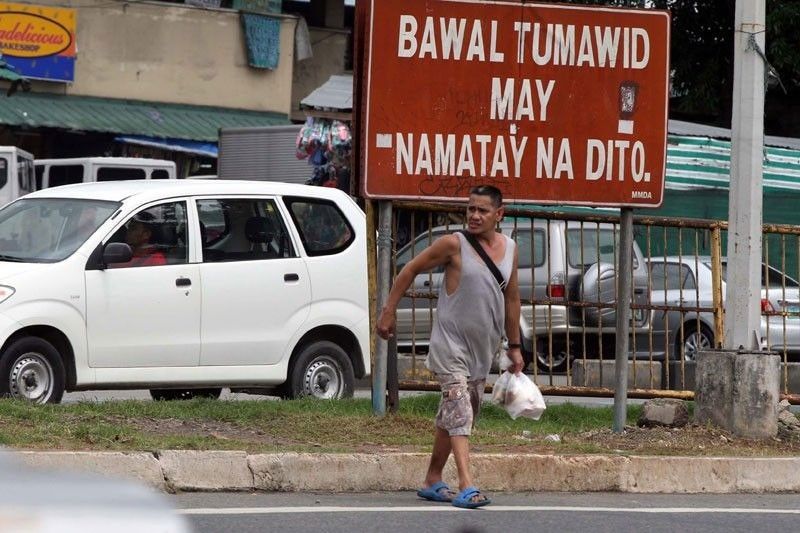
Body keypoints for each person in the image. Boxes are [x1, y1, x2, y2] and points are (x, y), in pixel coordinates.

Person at [377, 184, 524, 509]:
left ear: (499, 214)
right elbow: (410, 268)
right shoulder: (453, 245)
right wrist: (388, 310)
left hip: (481, 351)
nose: (474, 215)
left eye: (482, 210)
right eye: (470, 208)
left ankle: (432, 479)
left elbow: (512, 298)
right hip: (450, 347)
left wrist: (515, 346)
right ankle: (467, 484)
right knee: (461, 411)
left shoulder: (511, 249)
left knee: (454, 415)